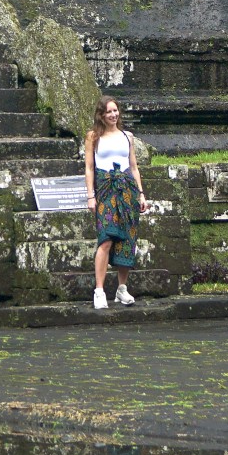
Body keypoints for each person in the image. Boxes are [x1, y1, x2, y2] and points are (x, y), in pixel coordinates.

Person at [84, 95, 147, 310]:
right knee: (106, 238)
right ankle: (99, 290)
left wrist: (141, 194)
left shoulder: (127, 137)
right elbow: (89, 168)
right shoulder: (93, 136)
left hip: (127, 189)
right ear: (101, 115)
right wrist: (90, 195)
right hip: (105, 189)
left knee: (126, 239)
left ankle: (122, 288)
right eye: (109, 112)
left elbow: (134, 167)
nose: (113, 115)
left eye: (115, 111)